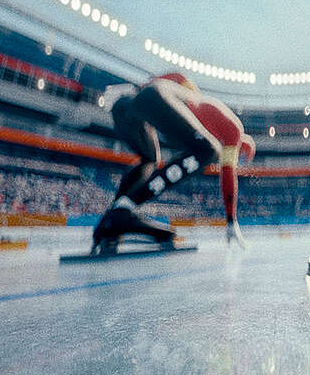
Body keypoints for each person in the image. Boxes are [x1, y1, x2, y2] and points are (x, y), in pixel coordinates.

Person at [94, 73, 255, 250]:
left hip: (127, 105)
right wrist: (231, 221)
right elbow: (228, 175)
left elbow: (177, 76)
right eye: (237, 156)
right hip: (154, 97)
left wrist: (142, 86)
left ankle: (109, 222)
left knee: (149, 160)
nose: (232, 158)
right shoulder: (235, 133)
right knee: (210, 151)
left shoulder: (197, 105)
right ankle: (123, 211)